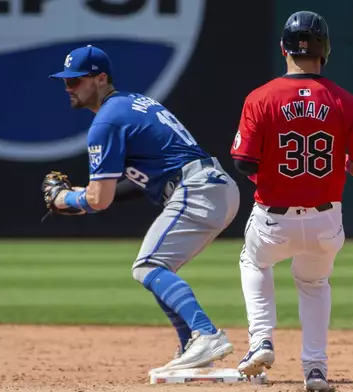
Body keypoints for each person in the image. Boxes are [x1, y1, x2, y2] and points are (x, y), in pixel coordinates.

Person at [43, 45, 240, 374]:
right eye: (65, 82)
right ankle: (189, 347)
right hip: (212, 185)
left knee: (147, 266)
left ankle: (205, 334)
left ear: (101, 78)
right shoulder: (133, 103)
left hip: (196, 188)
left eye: (75, 81)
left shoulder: (106, 122)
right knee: (158, 268)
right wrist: (83, 195)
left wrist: (65, 199)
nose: (68, 88)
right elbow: (126, 187)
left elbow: (98, 201)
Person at [230, 11, 353, 392]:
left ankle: (261, 340)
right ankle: (315, 370)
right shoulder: (344, 100)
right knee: (314, 283)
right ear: (325, 51)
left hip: (273, 218)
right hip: (325, 220)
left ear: (283, 49)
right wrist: (342, 163)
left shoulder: (260, 97)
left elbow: (243, 161)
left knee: (253, 261)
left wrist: (273, 171)